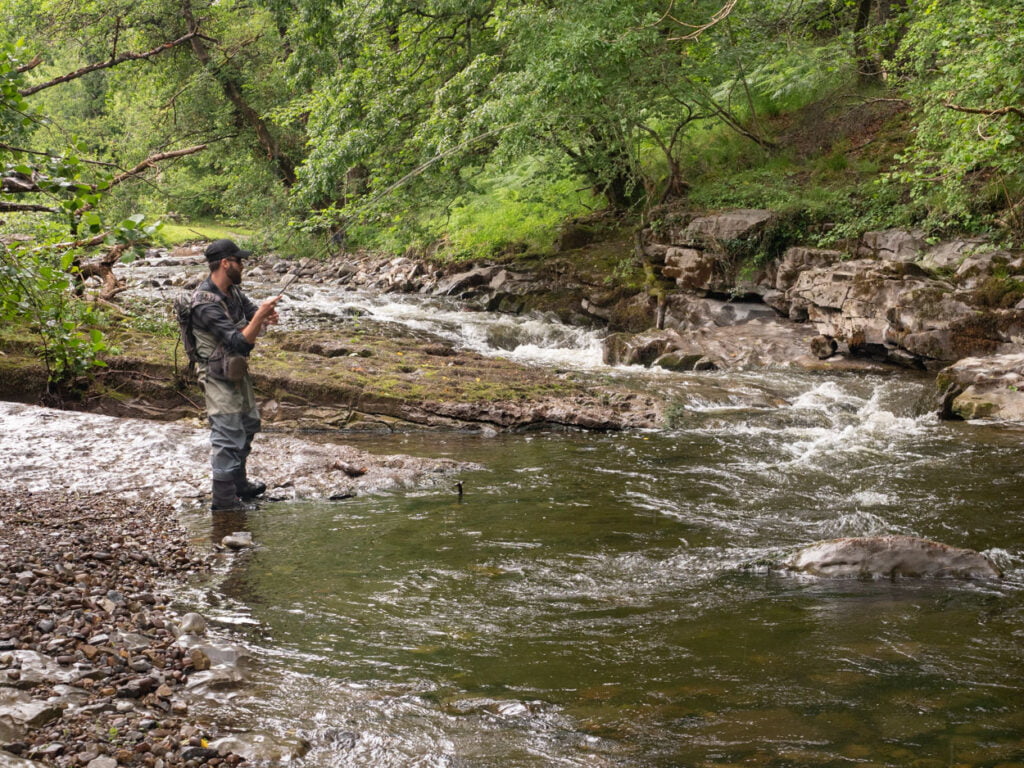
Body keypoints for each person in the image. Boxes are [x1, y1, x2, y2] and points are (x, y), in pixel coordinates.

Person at [191, 239, 281, 512]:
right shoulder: (204, 302)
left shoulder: (235, 293)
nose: (243, 265)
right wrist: (259, 319)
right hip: (215, 374)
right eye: (239, 260)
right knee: (227, 434)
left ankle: (240, 483)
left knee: (249, 423)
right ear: (226, 263)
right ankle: (224, 502)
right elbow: (240, 342)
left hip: (235, 370)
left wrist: (265, 317)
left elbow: (253, 317)